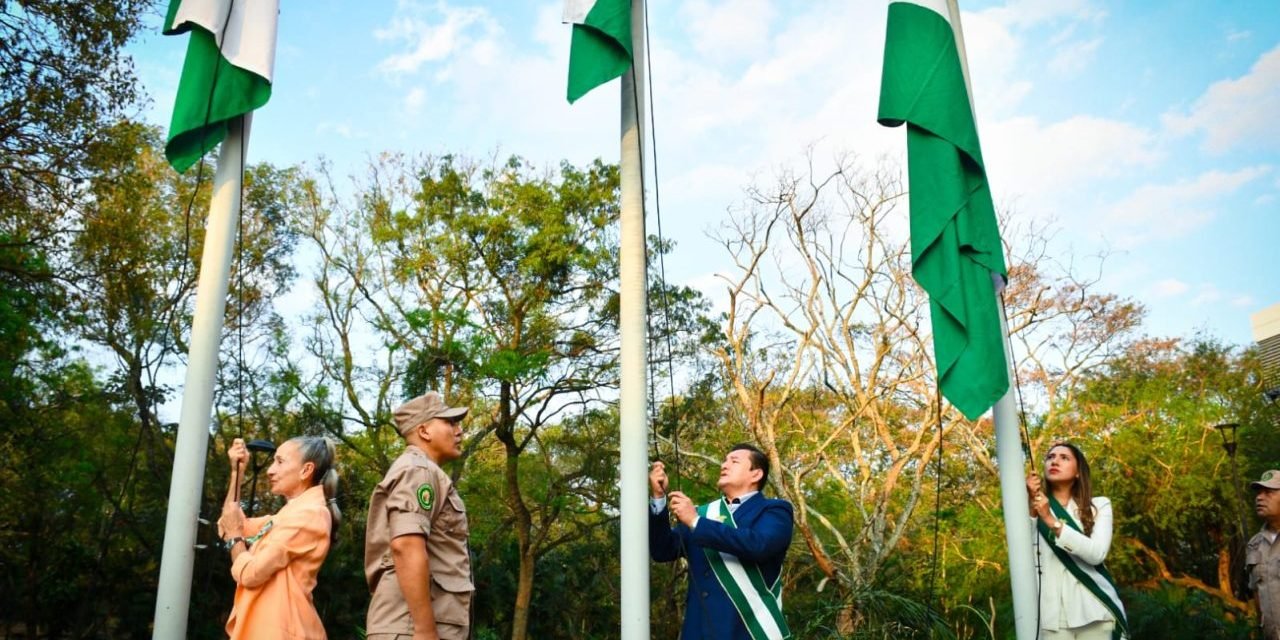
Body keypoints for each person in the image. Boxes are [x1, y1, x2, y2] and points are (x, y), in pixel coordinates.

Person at [649, 443, 794, 640]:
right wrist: (659, 499)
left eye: (734, 461)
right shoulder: (703, 514)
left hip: (749, 632)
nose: (724, 465)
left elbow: (759, 545)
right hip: (697, 631)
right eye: (725, 461)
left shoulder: (775, 510)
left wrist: (695, 521)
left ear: (756, 474)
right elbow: (662, 551)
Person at [365, 391, 474, 640]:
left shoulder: (425, 471)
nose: (459, 431)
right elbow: (406, 545)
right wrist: (425, 631)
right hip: (413, 630)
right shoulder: (418, 470)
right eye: (450, 422)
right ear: (424, 431)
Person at [218, 436, 341, 640]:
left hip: (281, 630)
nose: (270, 470)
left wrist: (234, 539)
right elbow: (228, 524)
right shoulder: (286, 515)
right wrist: (237, 473)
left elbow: (250, 573)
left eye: (280, 461)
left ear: (306, 470)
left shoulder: (310, 514)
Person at [1025, 442, 1128, 640]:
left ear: (1078, 472)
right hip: (1050, 616)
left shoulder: (1099, 506)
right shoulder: (1031, 506)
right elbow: (1023, 553)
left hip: (1095, 609)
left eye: (1064, 458)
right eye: (1050, 457)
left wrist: (1050, 520)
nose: (1055, 461)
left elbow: (1096, 554)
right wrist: (1031, 506)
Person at [1246, 469, 1280, 640]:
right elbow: (1256, 592)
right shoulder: (1254, 544)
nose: (1259, 497)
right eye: (1259, 493)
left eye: (1269, 492)